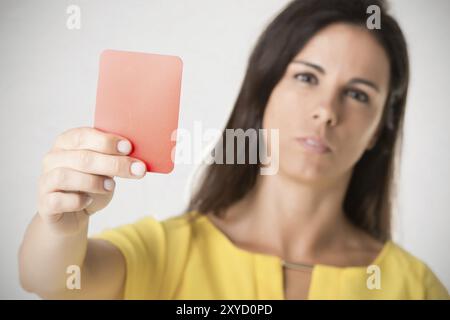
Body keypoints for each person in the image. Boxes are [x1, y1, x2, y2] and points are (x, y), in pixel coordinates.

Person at [19, 0, 449, 299]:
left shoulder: (416, 288)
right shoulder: (170, 251)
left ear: (378, 130)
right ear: (263, 93)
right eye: (306, 78)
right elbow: (51, 280)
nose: (326, 112)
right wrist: (62, 226)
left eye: (357, 94)